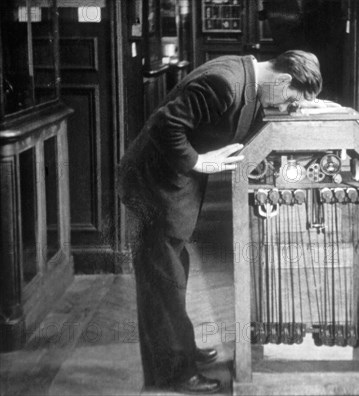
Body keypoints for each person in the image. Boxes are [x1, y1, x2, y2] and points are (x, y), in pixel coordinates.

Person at [117, 50, 323, 393]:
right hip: (154, 183)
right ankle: (174, 374)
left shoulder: (251, 79)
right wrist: (198, 162)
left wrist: (306, 106)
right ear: (284, 79)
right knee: (162, 277)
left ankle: (180, 350)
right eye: (290, 100)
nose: (287, 106)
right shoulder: (225, 83)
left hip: (172, 183)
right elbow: (164, 124)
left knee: (172, 272)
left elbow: (248, 115)